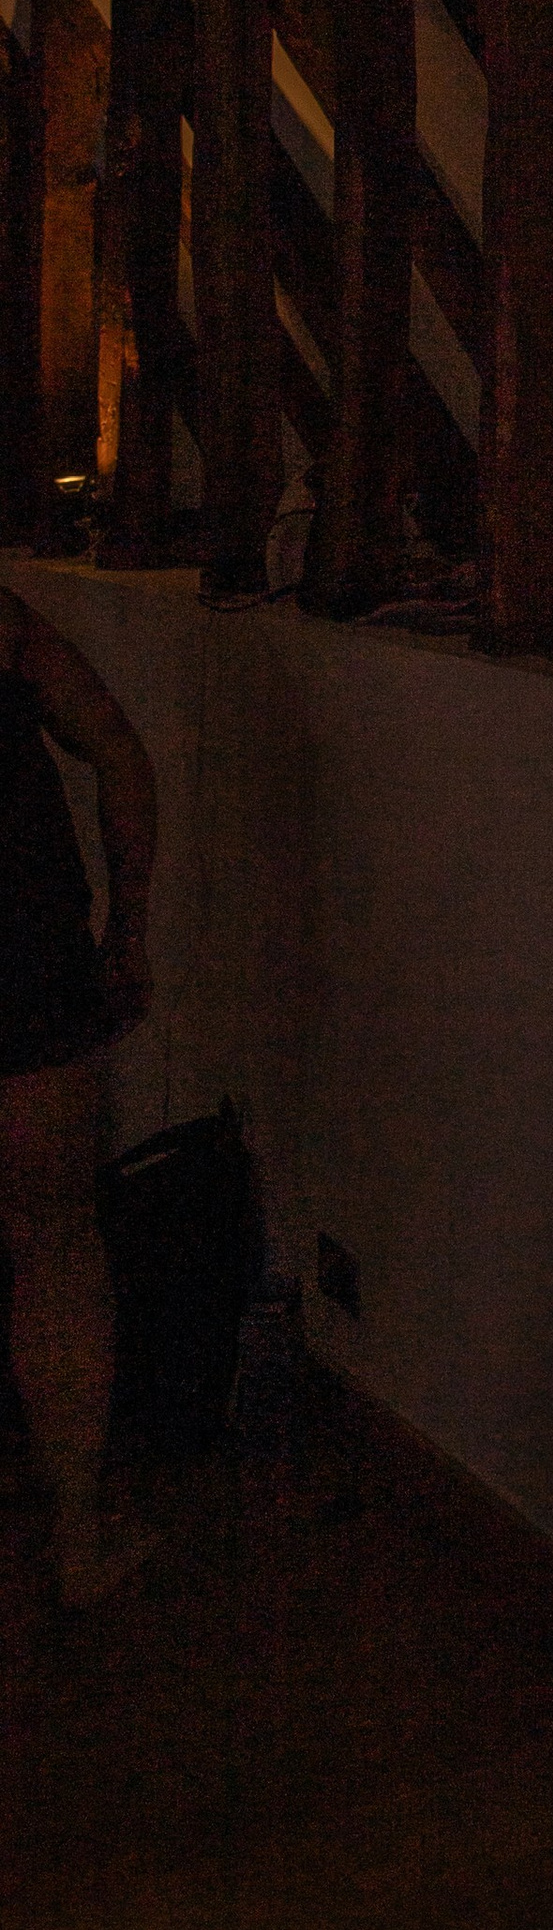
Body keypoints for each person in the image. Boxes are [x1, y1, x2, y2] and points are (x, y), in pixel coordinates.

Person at [0, 586, 156, 1605]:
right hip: (24, 965)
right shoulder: (6, 627)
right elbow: (119, 754)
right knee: (54, 1243)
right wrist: (127, 928)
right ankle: (77, 1540)